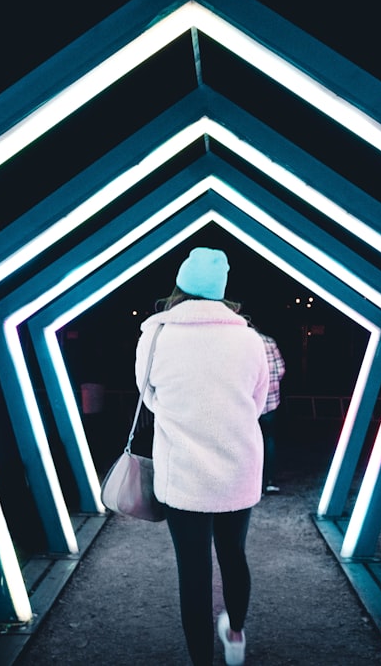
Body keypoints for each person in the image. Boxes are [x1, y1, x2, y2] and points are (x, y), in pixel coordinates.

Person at [135, 247, 269, 666]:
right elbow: (259, 401)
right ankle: (235, 635)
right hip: (239, 468)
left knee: (192, 571)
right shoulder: (249, 338)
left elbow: (148, 396)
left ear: (179, 285)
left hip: (183, 473)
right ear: (222, 292)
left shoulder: (156, 334)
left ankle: (201, 662)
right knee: (234, 554)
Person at [256, 330, 286, 493]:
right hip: (269, 401)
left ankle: (251, 484)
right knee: (269, 440)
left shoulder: (239, 340)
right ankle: (270, 481)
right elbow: (280, 369)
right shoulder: (269, 341)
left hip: (247, 404)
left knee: (246, 443)